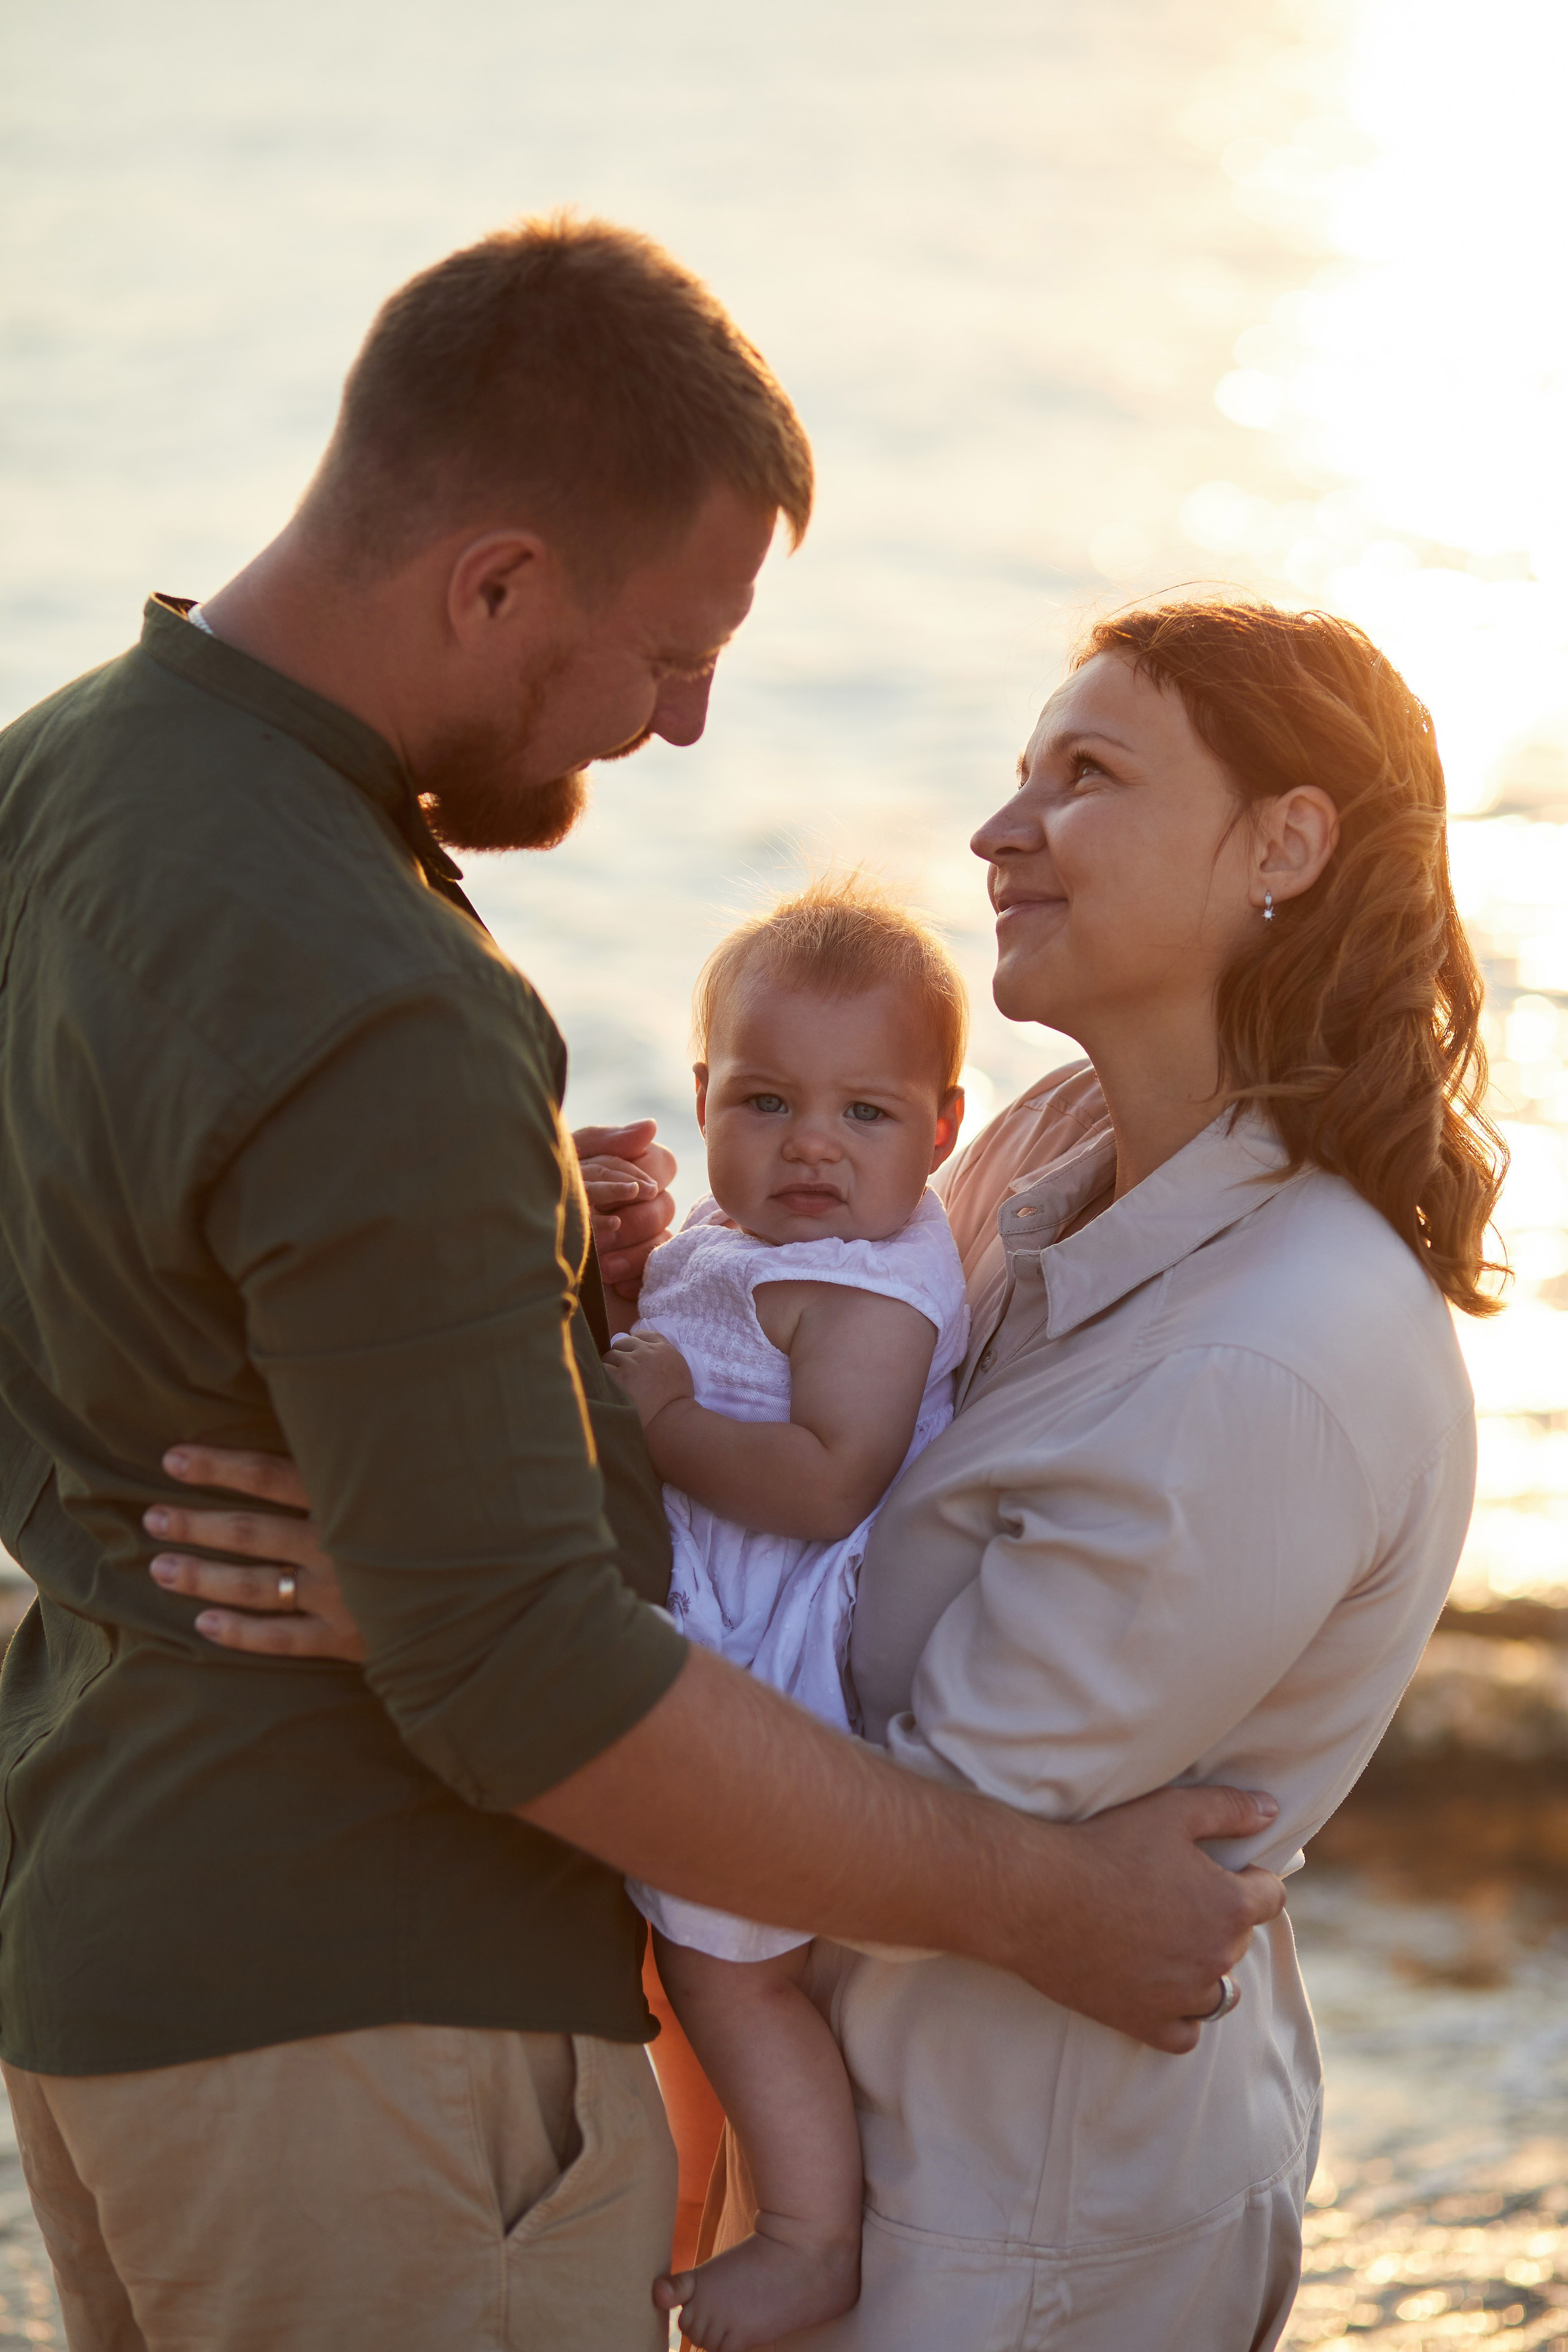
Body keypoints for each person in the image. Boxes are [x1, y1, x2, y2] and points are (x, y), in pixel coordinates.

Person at [0, 214, 1282, 2352]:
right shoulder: (374, 987)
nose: (682, 726)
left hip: (103, 1962)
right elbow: (528, 1683)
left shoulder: (62, 786)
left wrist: (521, 1376)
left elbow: (125, 1290)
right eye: (669, 652)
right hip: (374, 2027)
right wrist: (1051, 1903)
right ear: (496, 579)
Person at [168, 597, 1500, 2352]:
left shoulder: (1273, 1359)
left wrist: (458, 1616)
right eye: (1022, 768)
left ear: (1285, 842)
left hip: (1013, 2227)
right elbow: (803, 1408)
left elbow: (912, 1820)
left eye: (1085, 774)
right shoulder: (1055, 1145)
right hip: (852, 2147)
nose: (998, 827)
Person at [606, 880, 972, 2350]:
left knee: (727, 1960)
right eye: (764, 1100)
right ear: (699, 1100)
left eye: (864, 1115)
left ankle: (813, 2237)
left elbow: (826, 1485)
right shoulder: (749, 1233)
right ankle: (706, 2189)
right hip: (712, 1602)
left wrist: (662, 1424)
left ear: (943, 1128)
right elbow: (695, 1318)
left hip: (782, 1655)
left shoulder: (871, 1294)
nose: (810, 1143)